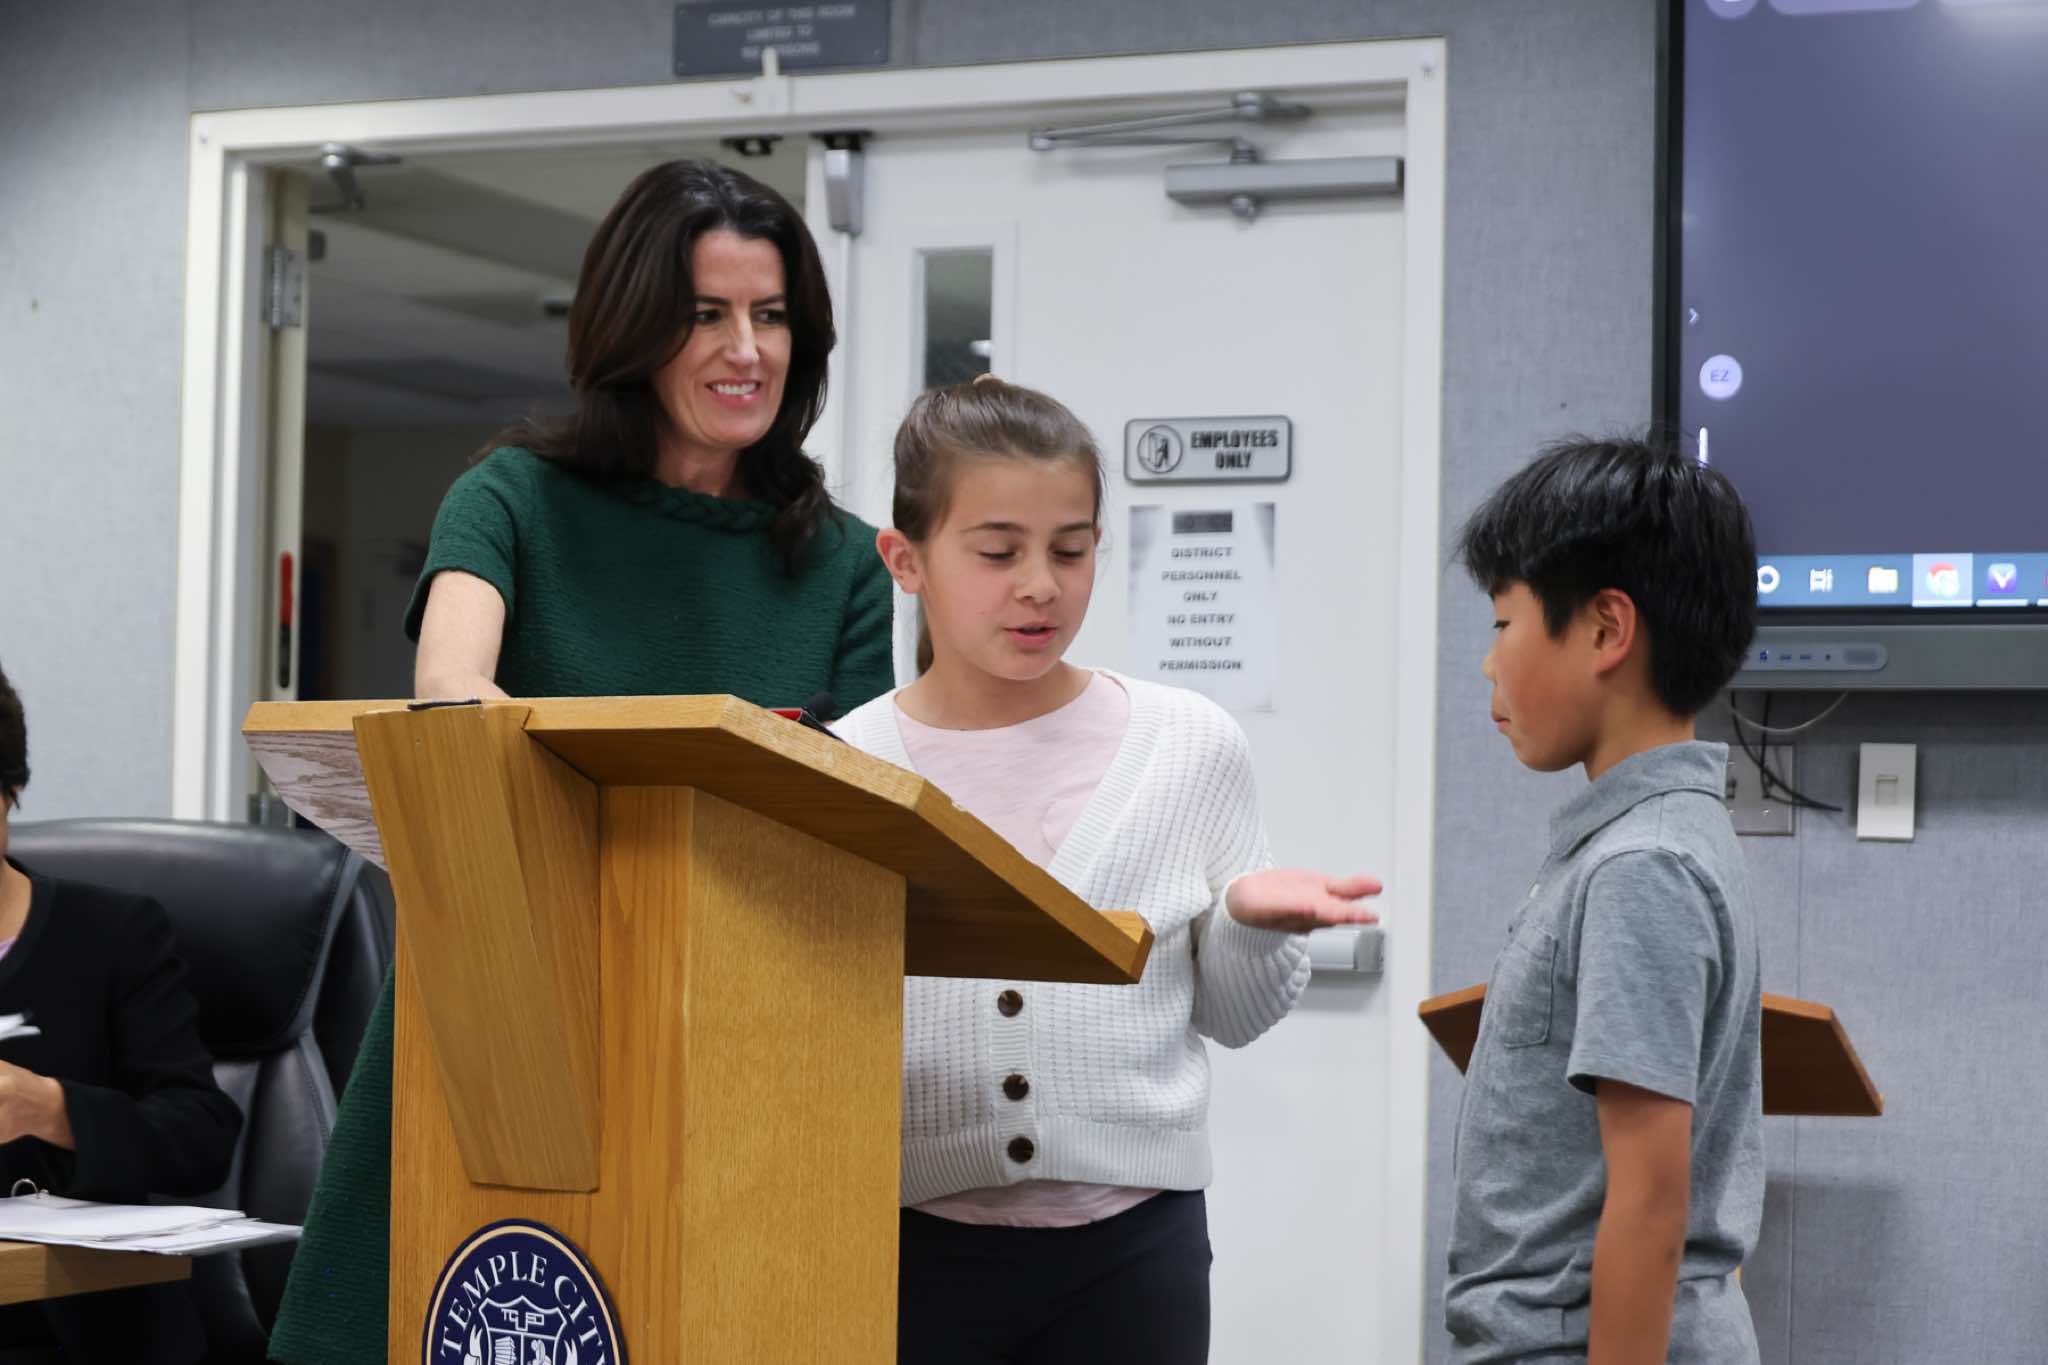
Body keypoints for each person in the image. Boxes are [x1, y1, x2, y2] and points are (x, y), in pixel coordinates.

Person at [268, 159, 896, 1365]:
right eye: (705, 314)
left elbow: (858, 826)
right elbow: (452, 702)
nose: (746, 350)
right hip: (499, 1015)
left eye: (770, 316)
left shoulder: (843, 565)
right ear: (633, 328)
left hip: (737, 1048)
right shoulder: (510, 498)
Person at [832, 376, 1381, 1365]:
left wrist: (1248, 926)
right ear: (904, 560)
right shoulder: (843, 766)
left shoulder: (1188, 743)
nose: (1040, 584)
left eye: (1071, 549)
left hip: (1133, 1251)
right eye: (997, 552)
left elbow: (1233, 1017)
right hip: (908, 1245)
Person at [1444, 436, 1764, 1364]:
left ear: (1605, 630)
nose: (1489, 664)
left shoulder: (1643, 866)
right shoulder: (1645, 840)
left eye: (1503, 623)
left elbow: (1650, 1205)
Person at [0, 663, 242, 1363]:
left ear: (9, 792)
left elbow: (202, 1137)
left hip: (79, 1329)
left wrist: (50, 1108)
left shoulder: (113, 935)